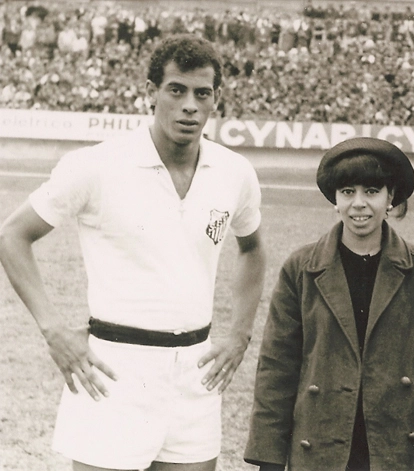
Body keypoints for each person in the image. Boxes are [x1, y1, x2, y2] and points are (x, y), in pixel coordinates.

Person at [0, 34, 266, 471]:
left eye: (202, 94)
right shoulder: (97, 165)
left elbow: (252, 248)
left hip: (195, 375)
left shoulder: (234, 172)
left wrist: (240, 334)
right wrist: (53, 331)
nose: (189, 106)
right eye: (176, 90)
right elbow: (12, 236)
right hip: (113, 372)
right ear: (150, 93)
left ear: (216, 99)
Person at [244, 137, 414, 471]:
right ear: (335, 199)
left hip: (394, 449)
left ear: (391, 197)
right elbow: (277, 368)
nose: (359, 204)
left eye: (372, 191)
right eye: (348, 192)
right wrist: (269, 460)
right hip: (320, 446)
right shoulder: (301, 268)